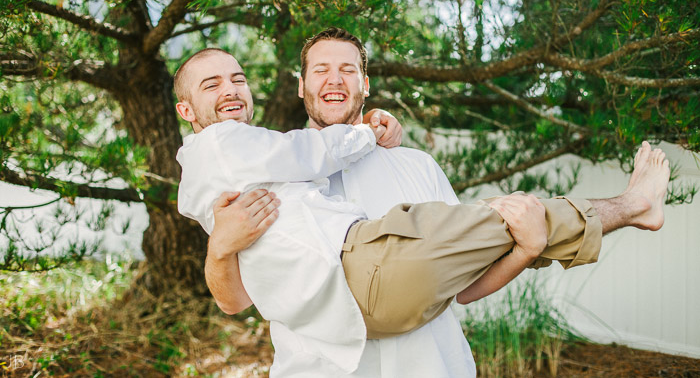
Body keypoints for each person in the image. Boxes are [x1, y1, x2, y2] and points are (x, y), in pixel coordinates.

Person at [176, 35, 669, 376]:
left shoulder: (414, 164)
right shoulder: (260, 171)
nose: (335, 79)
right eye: (320, 70)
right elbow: (234, 302)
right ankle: (632, 205)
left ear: (365, 85)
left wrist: (523, 251)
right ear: (301, 85)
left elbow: (464, 286)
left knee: (510, 214)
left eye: (349, 69)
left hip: (434, 369)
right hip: (319, 372)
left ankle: (631, 206)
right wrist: (219, 247)